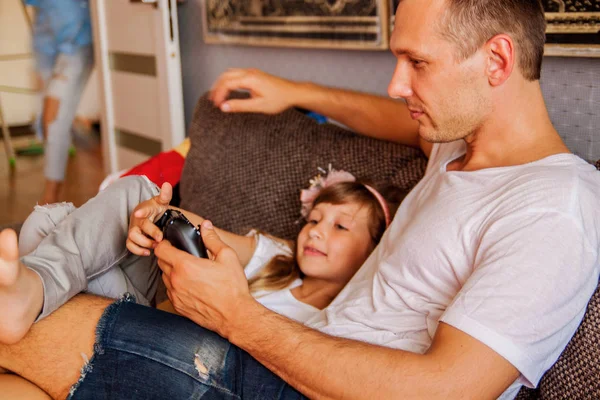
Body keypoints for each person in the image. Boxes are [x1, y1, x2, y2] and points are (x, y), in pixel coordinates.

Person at [1, 0, 599, 399]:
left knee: (21, 337)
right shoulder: (460, 144)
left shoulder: (555, 207)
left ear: (497, 60)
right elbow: (398, 119)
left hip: (295, 382)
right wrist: (294, 90)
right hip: (295, 344)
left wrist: (239, 317)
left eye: (418, 63)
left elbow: (447, 389)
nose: (397, 84)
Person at [6, 168, 403, 335]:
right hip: (151, 297)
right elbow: (204, 229)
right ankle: (34, 292)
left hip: (160, 335)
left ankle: (33, 292)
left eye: (339, 226)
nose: (315, 233)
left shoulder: (336, 322)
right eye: (314, 220)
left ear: (375, 248)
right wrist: (157, 212)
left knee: (44, 228)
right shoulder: (277, 258)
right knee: (136, 193)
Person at [25, 0, 94, 204]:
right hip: (50, 49)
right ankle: (80, 130)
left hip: (78, 45)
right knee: (48, 122)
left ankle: (50, 199)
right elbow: (43, 19)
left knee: (53, 119)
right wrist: (41, 63)